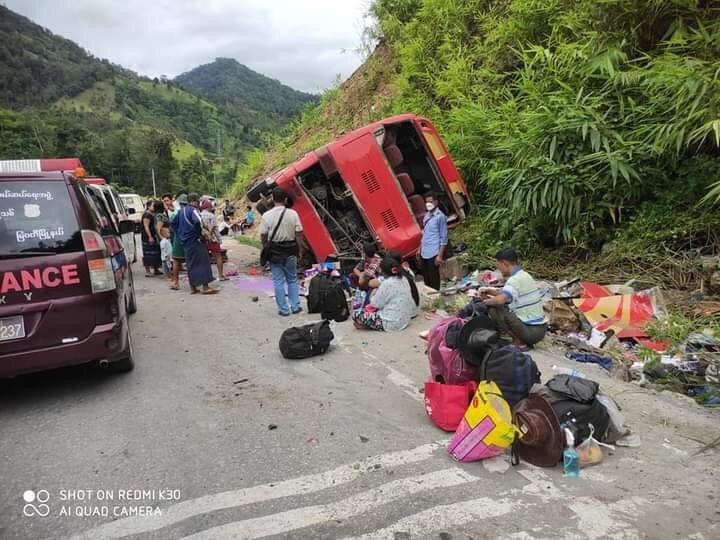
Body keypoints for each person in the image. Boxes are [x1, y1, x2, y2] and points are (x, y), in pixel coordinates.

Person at [478, 247, 547, 349]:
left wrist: (485, 302)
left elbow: (500, 300)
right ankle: (521, 340)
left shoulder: (515, 280)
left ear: (505, 263)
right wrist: (489, 291)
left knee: (494, 309)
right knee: (499, 305)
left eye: (499, 266)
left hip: (531, 332)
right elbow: (504, 292)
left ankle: (519, 342)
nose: (499, 269)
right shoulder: (524, 275)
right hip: (540, 330)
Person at [260, 187, 305, 316]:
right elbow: (299, 233)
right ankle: (295, 307)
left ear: (272, 199)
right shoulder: (293, 214)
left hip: (274, 252)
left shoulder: (266, 216)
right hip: (291, 250)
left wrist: (265, 247)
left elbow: (263, 235)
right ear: (285, 199)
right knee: (292, 279)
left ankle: (284, 310)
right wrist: (300, 249)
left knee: (278, 281)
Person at [352, 256, 419, 332]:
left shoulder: (386, 283)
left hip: (390, 323)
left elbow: (375, 304)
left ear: (384, 272)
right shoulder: (404, 278)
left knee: (356, 314)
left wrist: (373, 293)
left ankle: (367, 325)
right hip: (405, 320)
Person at [171, 193, 218, 295]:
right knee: (203, 262)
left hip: (186, 241)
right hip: (195, 240)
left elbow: (173, 224)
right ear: (193, 201)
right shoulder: (193, 210)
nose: (198, 203)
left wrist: (180, 234)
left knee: (191, 264)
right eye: (197, 201)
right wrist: (199, 234)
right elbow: (197, 222)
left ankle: (193, 288)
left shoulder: (180, 212)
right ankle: (205, 287)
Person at [419, 193, 448, 291]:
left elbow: (444, 238)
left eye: (430, 201)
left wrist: (439, 256)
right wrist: (419, 248)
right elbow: (425, 234)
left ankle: (436, 296)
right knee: (426, 278)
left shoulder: (440, 217)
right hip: (424, 252)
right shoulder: (426, 215)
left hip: (433, 252)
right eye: (426, 202)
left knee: (434, 278)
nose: (428, 204)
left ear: (436, 202)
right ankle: (430, 297)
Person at [200, 198, 227, 281]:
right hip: (212, 239)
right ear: (209, 207)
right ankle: (221, 275)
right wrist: (219, 239)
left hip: (203, 239)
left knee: (204, 259)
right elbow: (215, 229)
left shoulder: (199, 215)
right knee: (218, 257)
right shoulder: (211, 216)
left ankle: (206, 276)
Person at [168, 194, 187, 290]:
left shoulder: (177, 213)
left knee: (176, 261)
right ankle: (194, 284)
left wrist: (176, 232)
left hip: (178, 239)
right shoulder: (190, 212)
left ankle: (176, 282)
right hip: (188, 240)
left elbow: (171, 224)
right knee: (190, 261)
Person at [141, 200, 162, 277]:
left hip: (154, 236)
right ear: (148, 206)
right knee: (148, 254)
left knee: (155, 253)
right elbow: (146, 226)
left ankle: (156, 269)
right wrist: (150, 236)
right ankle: (148, 271)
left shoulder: (153, 214)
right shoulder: (147, 215)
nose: (155, 207)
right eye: (153, 205)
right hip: (147, 237)